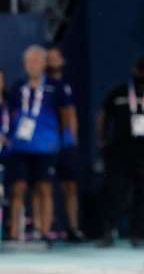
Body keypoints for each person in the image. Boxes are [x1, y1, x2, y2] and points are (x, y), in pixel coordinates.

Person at [96, 57, 144, 247]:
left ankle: (140, 234)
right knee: (115, 193)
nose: (141, 73)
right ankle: (108, 231)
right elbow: (103, 114)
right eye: (139, 69)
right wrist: (101, 142)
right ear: (133, 69)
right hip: (121, 152)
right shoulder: (119, 93)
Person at [8, 46, 75, 242]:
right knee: (18, 188)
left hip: (47, 146)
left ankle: (44, 231)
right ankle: (14, 233)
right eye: (29, 61)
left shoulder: (56, 87)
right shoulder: (18, 87)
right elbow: (11, 114)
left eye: (36, 61)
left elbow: (66, 115)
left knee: (44, 188)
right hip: (21, 147)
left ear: (44, 63)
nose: (32, 65)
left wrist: (58, 137)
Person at [46, 47, 86, 241]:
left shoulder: (66, 85)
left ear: (62, 61)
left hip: (67, 144)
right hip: (48, 143)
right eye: (50, 57)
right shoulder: (42, 85)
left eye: (57, 56)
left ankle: (73, 227)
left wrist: (72, 139)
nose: (53, 60)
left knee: (70, 186)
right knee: (44, 186)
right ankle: (47, 226)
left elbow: (71, 115)